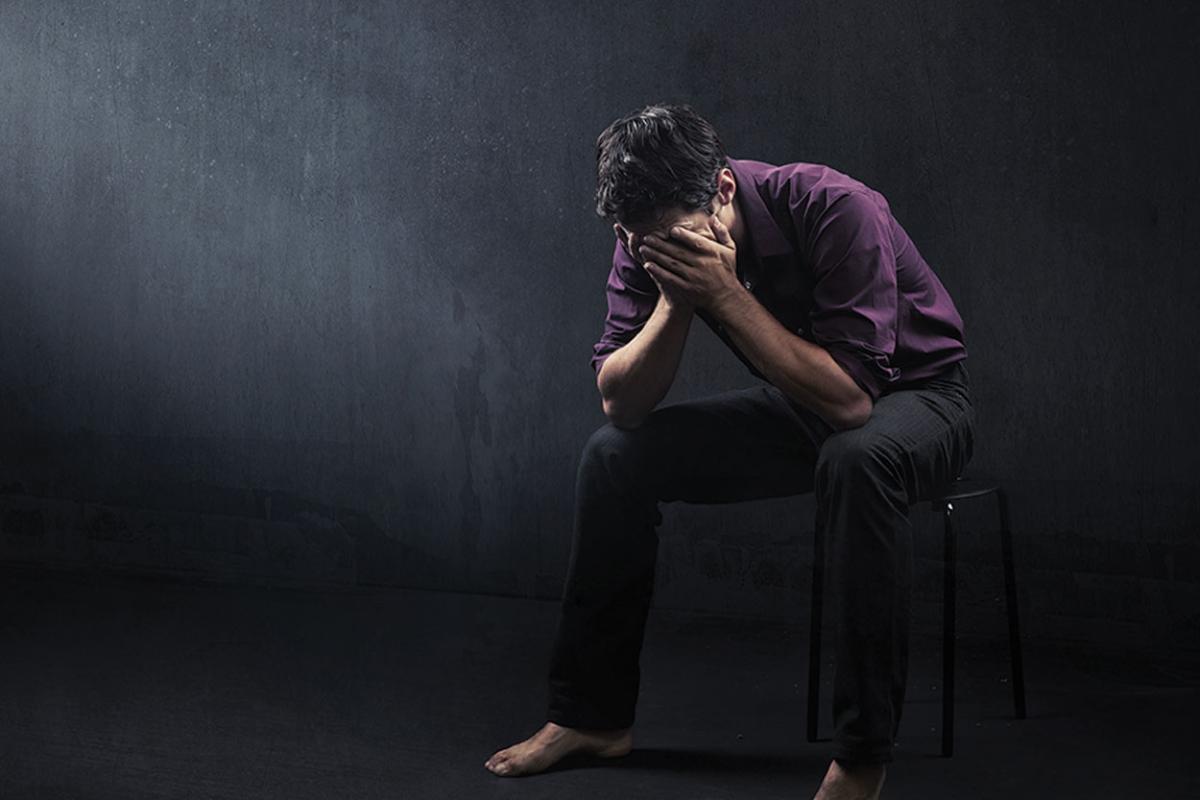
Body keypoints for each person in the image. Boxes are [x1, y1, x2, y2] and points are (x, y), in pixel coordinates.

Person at [485, 103, 975, 800]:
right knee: (612, 457)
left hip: (923, 399)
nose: (652, 253)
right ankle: (591, 718)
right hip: (803, 403)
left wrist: (723, 293)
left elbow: (851, 405)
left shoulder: (838, 208)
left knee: (857, 458)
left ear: (722, 191)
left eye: (667, 241)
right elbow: (622, 401)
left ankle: (863, 757)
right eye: (636, 241)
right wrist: (676, 302)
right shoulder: (647, 235)